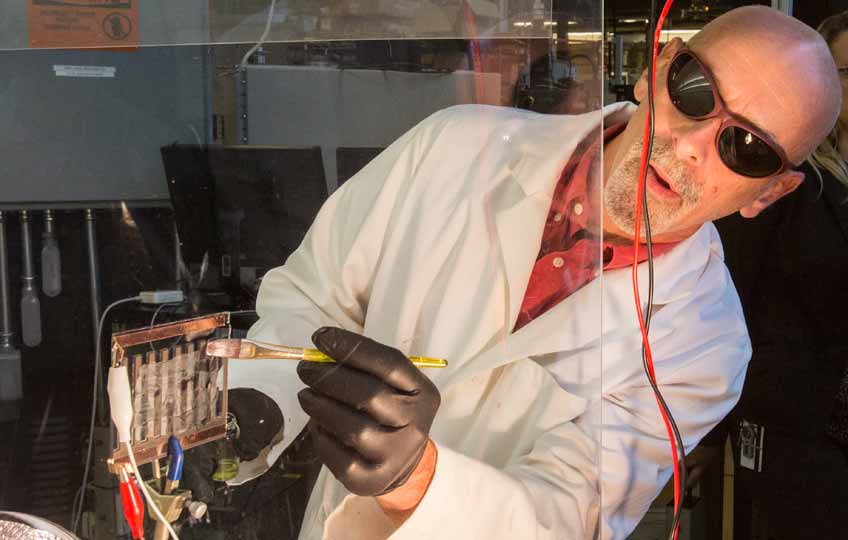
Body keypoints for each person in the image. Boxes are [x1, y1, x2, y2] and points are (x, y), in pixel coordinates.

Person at [226, 6, 841, 540]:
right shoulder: (456, 146)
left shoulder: (704, 343)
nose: (691, 145)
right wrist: (262, 406)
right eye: (697, 92)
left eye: (747, 148)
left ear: (769, 193)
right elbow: (311, 296)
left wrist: (420, 482)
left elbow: (573, 512)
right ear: (659, 68)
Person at [706, 10, 848, 539]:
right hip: (790, 424)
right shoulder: (787, 179)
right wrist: (711, 429)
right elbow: (732, 292)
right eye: (844, 74)